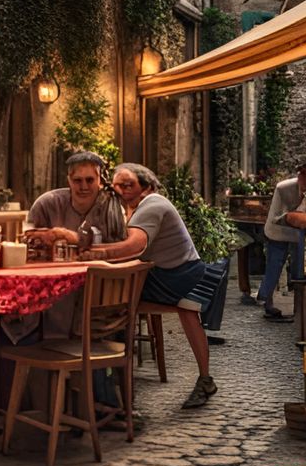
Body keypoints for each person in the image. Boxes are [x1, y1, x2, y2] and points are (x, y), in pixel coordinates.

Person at [91, 163, 220, 410]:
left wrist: (90, 251)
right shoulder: (132, 208)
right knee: (115, 297)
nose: (120, 190)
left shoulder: (152, 205)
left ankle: (112, 381)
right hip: (175, 272)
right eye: (116, 185)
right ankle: (114, 376)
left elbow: (134, 246)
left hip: (177, 277)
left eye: (128, 185)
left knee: (112, 303)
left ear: (147, 187)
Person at [260, 160, 306, 320]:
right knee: (275, 265)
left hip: (296, 232)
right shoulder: (286, 188)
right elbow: (287, 216)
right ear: (305, 176)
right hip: (278, 230)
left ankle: (299, 303)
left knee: (299, 270)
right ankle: (267, 303)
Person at [28, 151, 126, 251]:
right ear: (69, 180)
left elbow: (119, 247)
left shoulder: (112, 209)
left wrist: (72, 237)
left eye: (89, 180)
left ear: (100, 180)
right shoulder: (46, 204)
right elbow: (28, 241)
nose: (84, 187)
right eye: (77, 180)